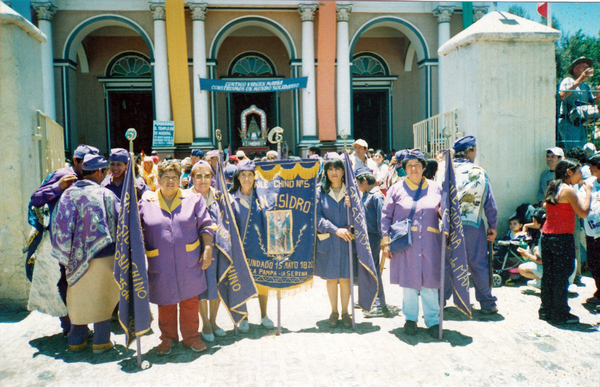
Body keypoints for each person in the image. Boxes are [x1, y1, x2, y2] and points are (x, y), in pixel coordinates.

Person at [138, 160, 214, 354]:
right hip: (160, 263)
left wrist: (207, 249)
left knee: (190, 301)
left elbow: (206, 226)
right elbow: (136, 229)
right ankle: (168, 338)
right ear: (158, 179)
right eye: (166, 177)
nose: (170, 181)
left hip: (189, 261)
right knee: (166, 302)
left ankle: (191, 337)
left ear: (180, 180)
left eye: (174, 177)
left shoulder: (194, 200)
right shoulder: (146, 203)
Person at [50, 154, 120, 353]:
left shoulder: (67, 194)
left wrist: (65, 257)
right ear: (99, 172)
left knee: (78, 299)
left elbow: (59, 226)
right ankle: (101, 341)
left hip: (73, 259)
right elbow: (121, 218)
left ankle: (76, 340)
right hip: (104, 254)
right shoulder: (105, 194)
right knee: (103, 298)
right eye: (104, 171)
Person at [30, 144, 99, 336]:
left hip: (85, 241)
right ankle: (71, 326)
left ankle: (81, 324)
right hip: (62, 243)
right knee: (67, 284)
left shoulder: (90, 176)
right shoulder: (62, 175)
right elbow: (35, 199)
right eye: (85, 164)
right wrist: (57, 187)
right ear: (75, 161)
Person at [381, 149, 442, 338]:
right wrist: (385, 243)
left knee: (430, 282)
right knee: (409, 281)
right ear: (404, 169)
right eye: (409, 165)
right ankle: (410, 319)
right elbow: (385, 216)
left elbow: (445, 212)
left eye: (417, 165)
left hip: (430, 243)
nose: (414, 169)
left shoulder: (436, 188)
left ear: (424, 167)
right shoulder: (396, 189)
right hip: (407, 243)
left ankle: (433, 320)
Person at [445, 136, 498, 314]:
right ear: (470, 151)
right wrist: (493, 225)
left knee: (447, 263)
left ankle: (440, 301)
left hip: (449, 226)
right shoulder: (480, 172)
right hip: (473, 225)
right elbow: (490, 204)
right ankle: (487, 303)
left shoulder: (445, 170)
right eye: (475, 150)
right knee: (478, 264)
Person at [539, 158, 591, 324]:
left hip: (547, 236)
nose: (581, 174)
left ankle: (546, 310)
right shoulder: (568, 190)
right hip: (561, 238)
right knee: (562, 275)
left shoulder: (553, 187)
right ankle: (560, 313)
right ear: (569, 172)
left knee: (549, 275)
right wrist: (588, 192)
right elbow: (583, 212)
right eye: (578, 171)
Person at [229, 159, 274, 331]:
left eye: (250, 175)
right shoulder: (232, 200)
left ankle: (264, 315)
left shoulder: (262, 198)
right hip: (241, 251)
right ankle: (244, 316)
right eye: (243, 175)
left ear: (255, 177)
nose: (246, 179)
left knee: (263, 283)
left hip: (260, 248)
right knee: (243, 283)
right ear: (238, 178)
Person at [187, 161, 227, 342]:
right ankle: (205, 323)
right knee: (200, 288)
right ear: (192, 178)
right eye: (199, 176)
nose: (203, 180)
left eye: (207, 176)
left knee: (215, 285)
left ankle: (214, 321)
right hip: (195, 250)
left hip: (216, 249)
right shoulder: (186, 198)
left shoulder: (219, 197)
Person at [315, 153, 355, 328]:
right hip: (329, 241)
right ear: (325, 171)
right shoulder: (319, 191)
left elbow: (360, 218)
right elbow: (315, 217)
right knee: (331, 278)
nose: (334, 172)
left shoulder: (351, 191)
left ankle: (346, 312)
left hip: (346, 241)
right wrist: (334, 229)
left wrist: (352, 207)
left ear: (343, 170)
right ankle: (334, 311)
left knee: (345, 278)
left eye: (337, 168)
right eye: (330, 168)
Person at [355, 167, 388, 318]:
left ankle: (380, 304)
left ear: (365, 181)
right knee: (365, 268)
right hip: (365, 236)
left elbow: (382, 219)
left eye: (359, 183)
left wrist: (383, 239)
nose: (358, 186)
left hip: (374, 237)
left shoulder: (376, 196)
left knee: (373, 270)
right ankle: (367, 299)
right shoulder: (365, 195)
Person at [558, 57, 600, 148]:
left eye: (587, 67)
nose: (586, 69)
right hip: (567, 122)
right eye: (583, 66)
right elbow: (562, 95)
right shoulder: (568, 81)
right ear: (575, 69)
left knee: (580, 150)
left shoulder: (586, 86)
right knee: (573, 150)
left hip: (580, 122)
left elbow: (593, 104)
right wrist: (580, 79)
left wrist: (598, 96)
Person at [581, 154, 600, 310]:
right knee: (593, 263)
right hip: (591, 230)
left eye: (591, 166)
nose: (589, 169)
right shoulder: (590, 183)